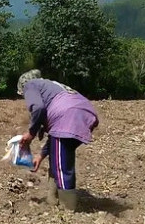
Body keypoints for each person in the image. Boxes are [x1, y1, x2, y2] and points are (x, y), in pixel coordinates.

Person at [17, 69, 99, 211]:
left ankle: (68, 209)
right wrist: (40, 155)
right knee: (59, 157)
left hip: (69, 114)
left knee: (62, 166)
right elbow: (56, 139)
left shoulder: (30, 84)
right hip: (84, 113)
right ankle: (53, 199)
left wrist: (31, 133)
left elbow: (38, 108)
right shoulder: (52, 86)